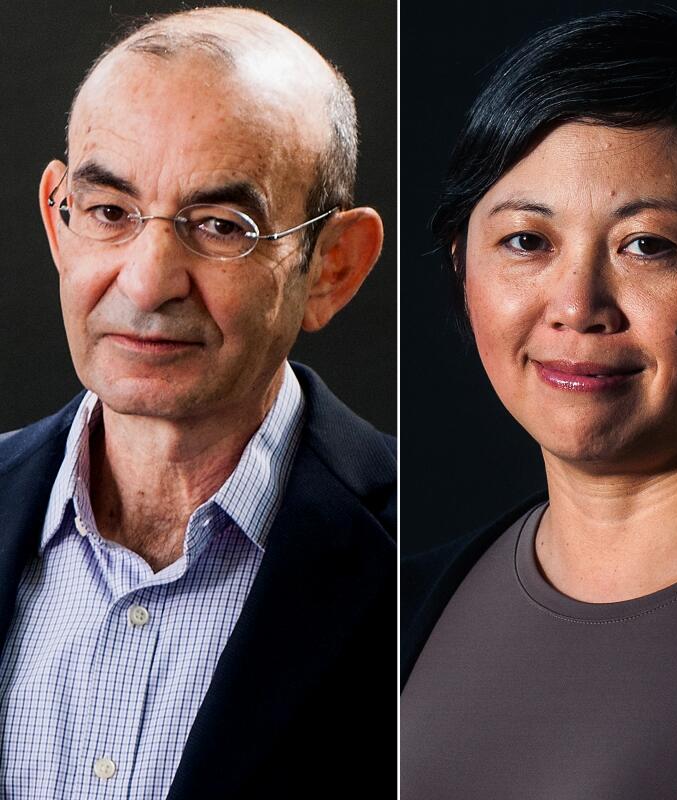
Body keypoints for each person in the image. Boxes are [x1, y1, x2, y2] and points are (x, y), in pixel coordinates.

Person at [400, 10, 677, 799]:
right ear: (459, 266)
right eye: (526, 242)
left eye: (647, 245)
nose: (578, 306)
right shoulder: (396, 602)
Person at [0, 8, 394, 798]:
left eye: (220, 226)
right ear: (57, 218)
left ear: (333, 268)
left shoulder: (420, 558)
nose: (147, 282)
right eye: (109, 212)